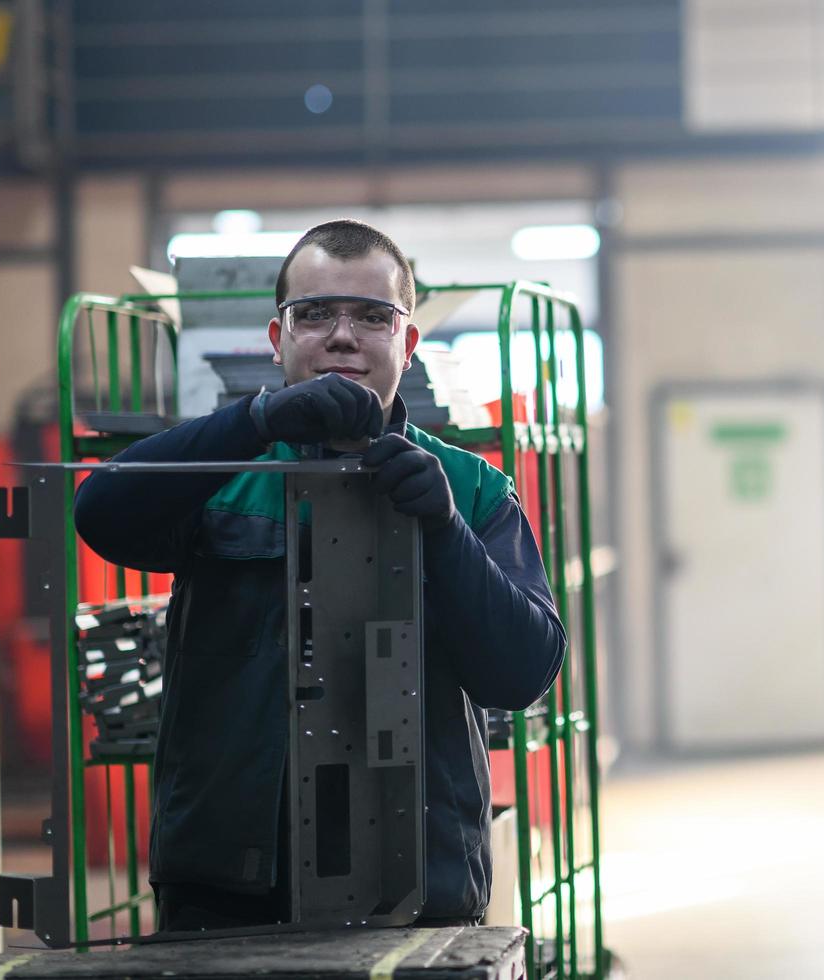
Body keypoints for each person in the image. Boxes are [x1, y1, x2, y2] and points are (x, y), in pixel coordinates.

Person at [73, 219, 566, 931]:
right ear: (277, 340)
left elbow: (522, 673)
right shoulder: (217, 475)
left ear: (408, 342)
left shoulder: (472, 487)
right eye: (315, 315)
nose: (342, 336)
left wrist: (443, 529)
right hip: (229, 880)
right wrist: (255, 420)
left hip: (417, 883)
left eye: (372, 316)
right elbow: (101, 515)